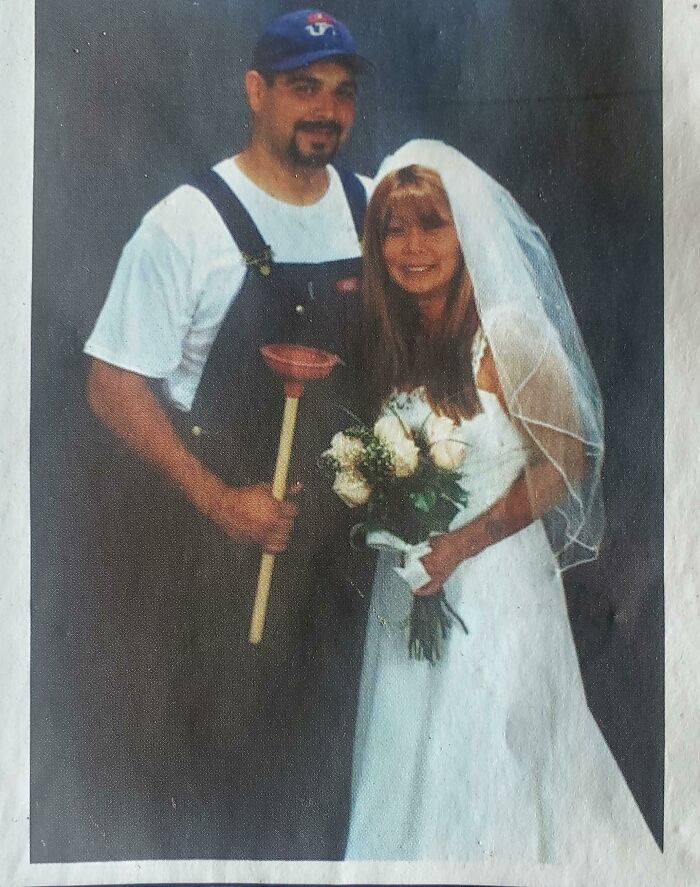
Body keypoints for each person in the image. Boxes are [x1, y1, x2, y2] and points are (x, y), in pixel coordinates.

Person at [81, 9, 371, 860]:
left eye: (341, 93)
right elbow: (110, 383)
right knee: (224, 781)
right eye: (301, 87)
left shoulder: (371, 206)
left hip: (339, 560)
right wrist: (219, 500)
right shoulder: (187, 222)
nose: (325, 109)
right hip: (214, 549)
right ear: (255, 92)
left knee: (329, 780)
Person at [343, 141, 658, 863]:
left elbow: (567, 461)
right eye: (394, 228)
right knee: (408, 769)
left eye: (433, 225)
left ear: (467, 231)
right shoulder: (398, 336)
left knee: (490, 779)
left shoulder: (510, 332)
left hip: (494, 593)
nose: (412, 246)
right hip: (412, 589)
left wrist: (463, 543)